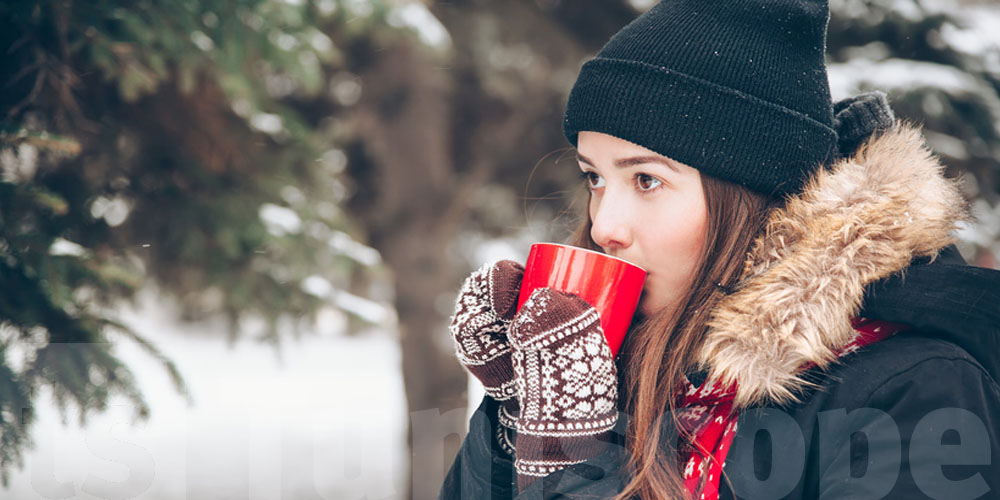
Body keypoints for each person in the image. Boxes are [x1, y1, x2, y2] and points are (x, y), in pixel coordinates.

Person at [440, 1, 1000, 499]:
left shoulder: (914, 389)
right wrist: (514, 420)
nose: (605, 225)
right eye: (594, 177)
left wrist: (570, 469)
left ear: (749, 196)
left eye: (646, 181)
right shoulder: (612, 365)